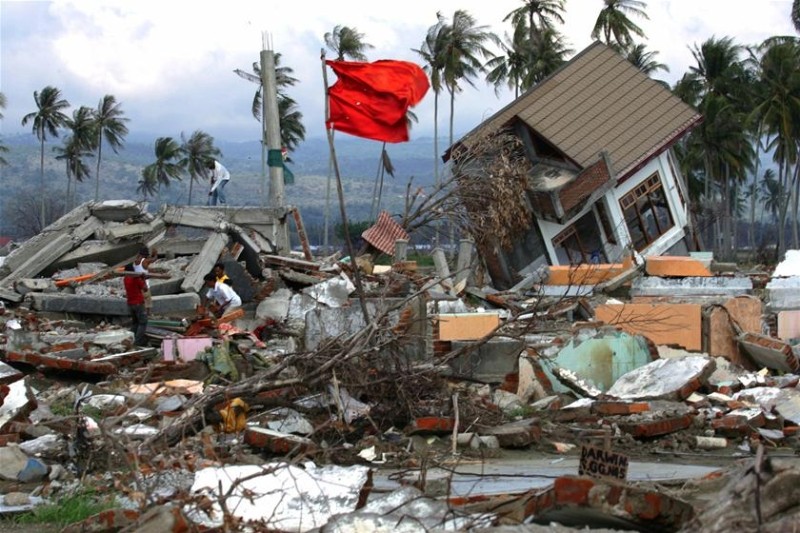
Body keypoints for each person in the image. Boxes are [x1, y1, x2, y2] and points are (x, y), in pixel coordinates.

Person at [123, 263, 149, 346]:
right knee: (143, 323)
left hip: (130, 304)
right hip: (138, 303)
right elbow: (145, 289)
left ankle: (129, 339)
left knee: (135, 323)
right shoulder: (136, 279)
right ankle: (137, 342)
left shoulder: (125, 278)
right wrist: (143, 279)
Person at [133, 246, 156, 310]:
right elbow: (154, 259)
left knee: (139, 302)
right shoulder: (145, 261)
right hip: (145, 285)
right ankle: (147, 315)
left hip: (137, 285)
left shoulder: (135, 261)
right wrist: (155, 253)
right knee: (147, 303)